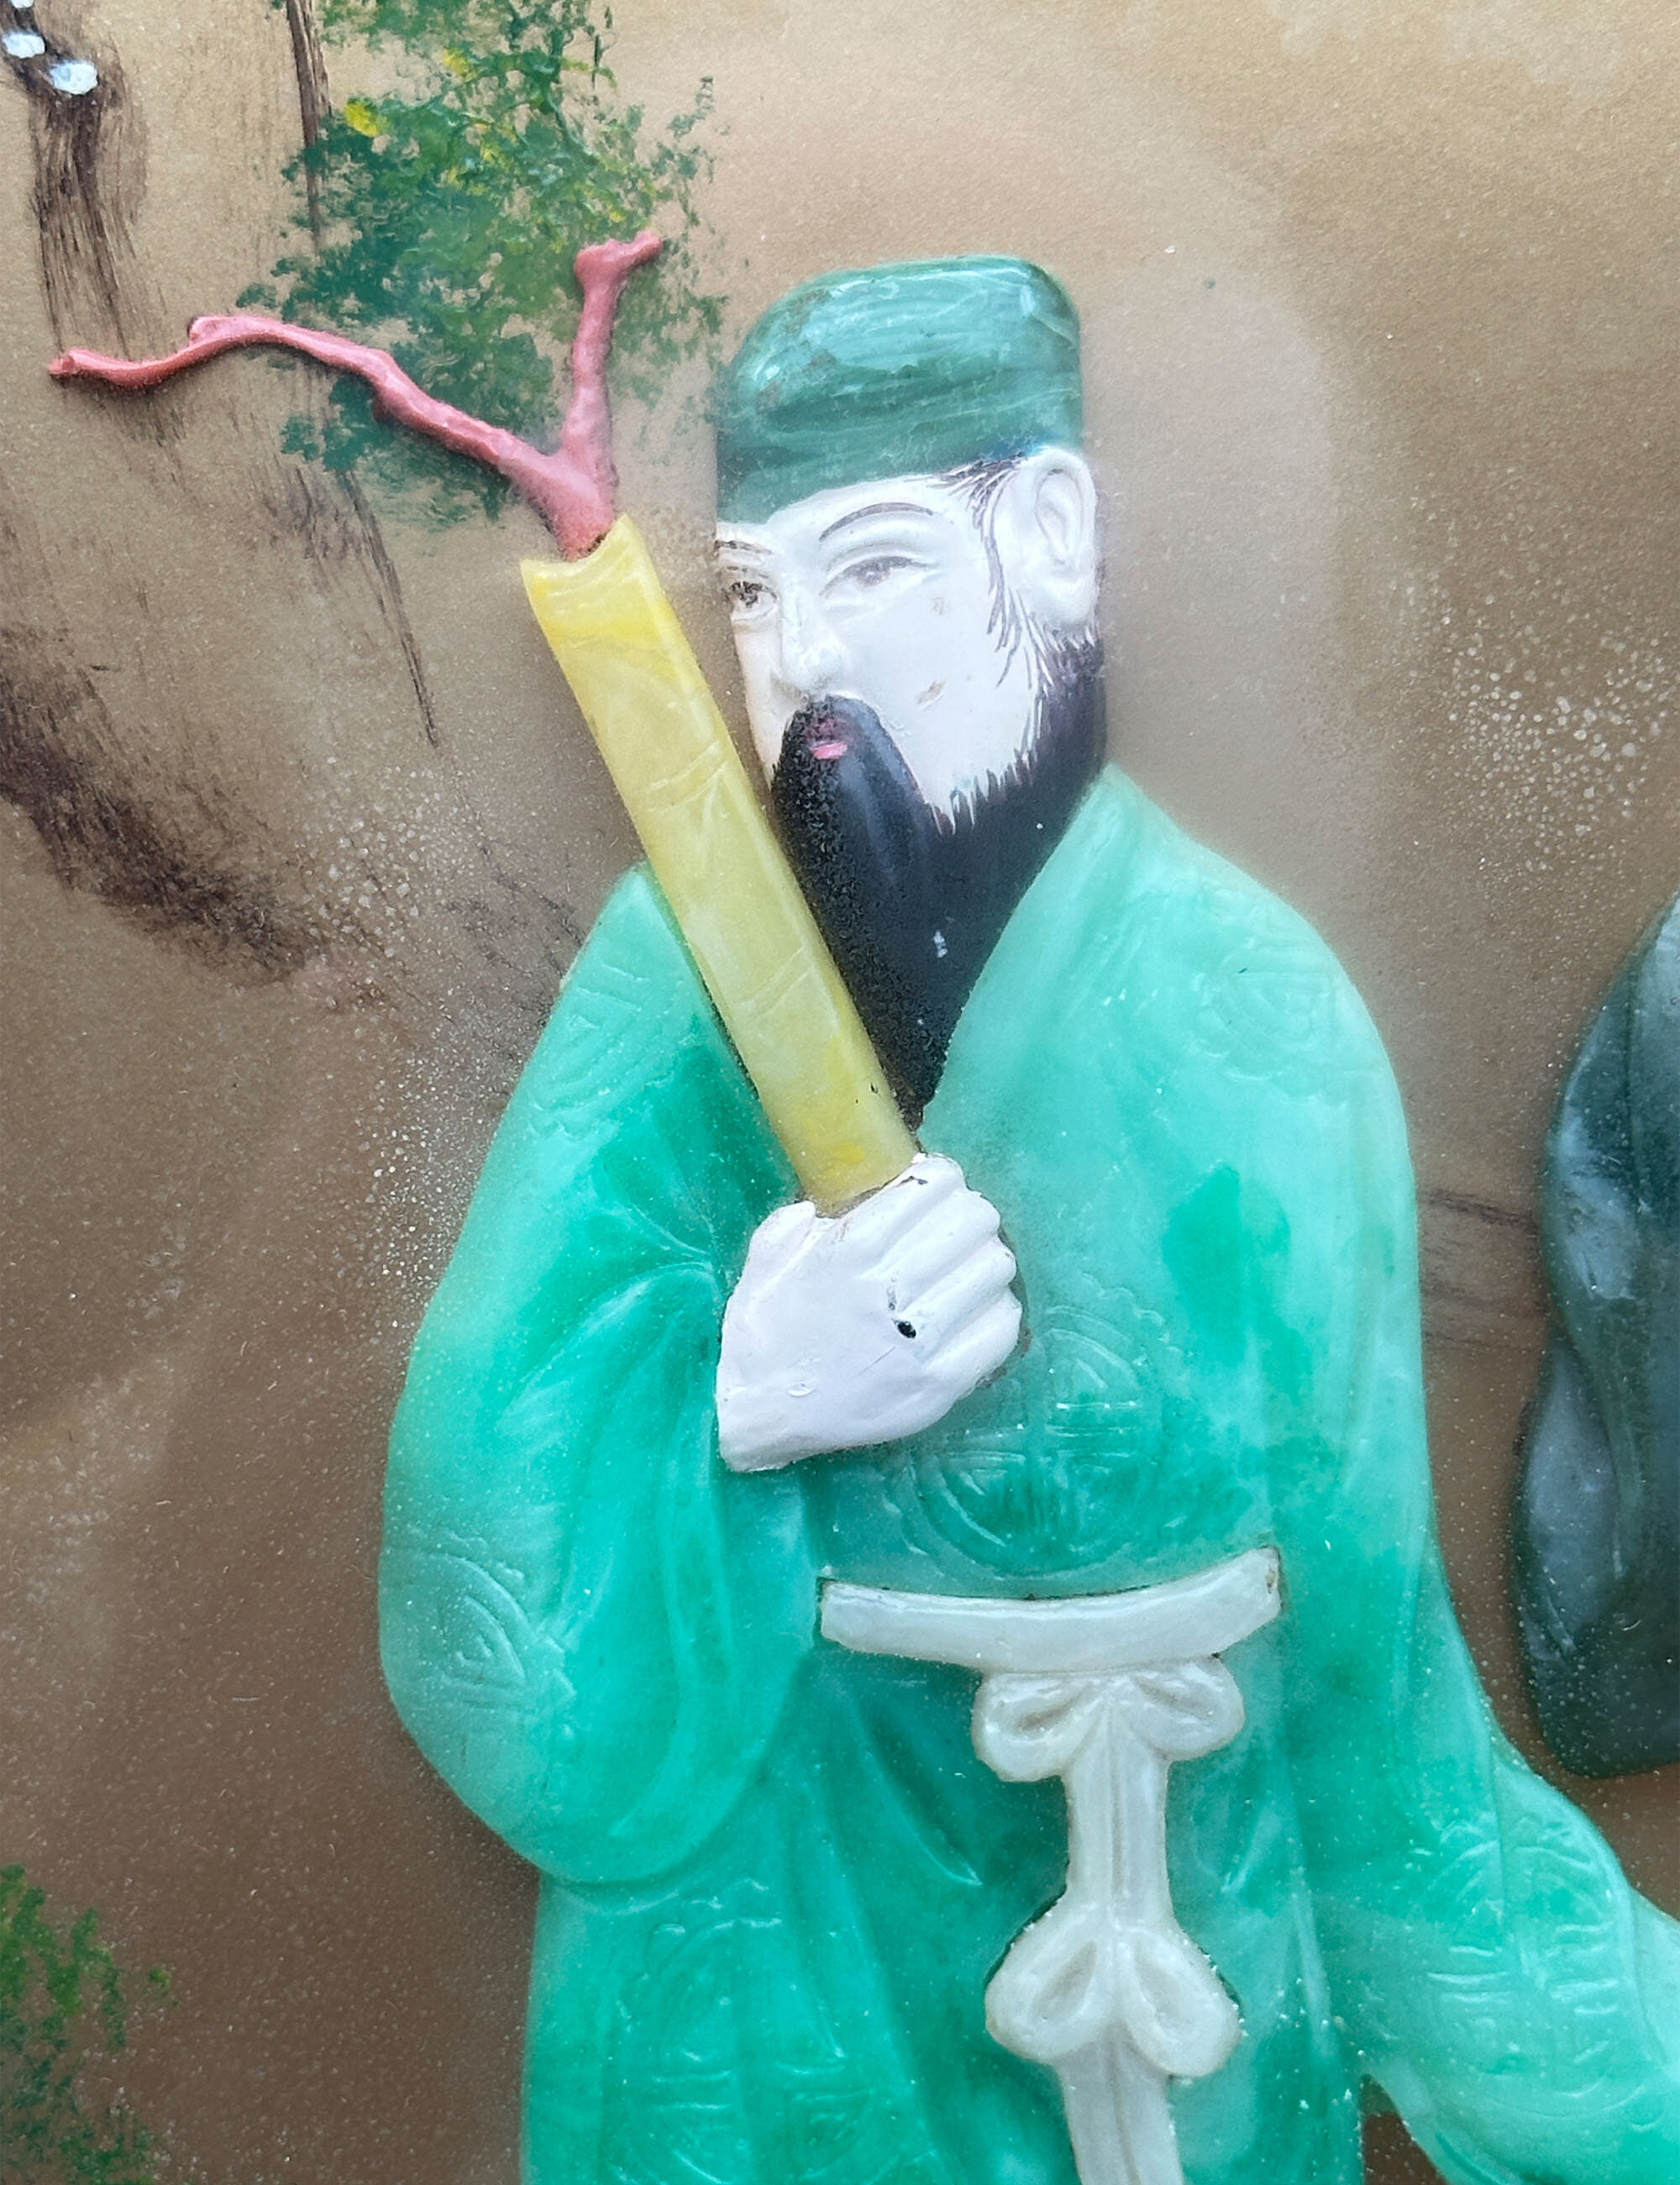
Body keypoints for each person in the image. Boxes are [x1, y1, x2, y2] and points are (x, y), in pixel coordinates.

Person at [381, 259, 1680, 2185]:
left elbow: (1372, 1702)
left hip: (1186, 1990)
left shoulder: (1254, 1011)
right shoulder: (674, 985)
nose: (804, 664)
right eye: (753, 595)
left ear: (1051, 540)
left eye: (875, 568)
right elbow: (485, 1563)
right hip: (779, 1993)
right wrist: (734, 1409)